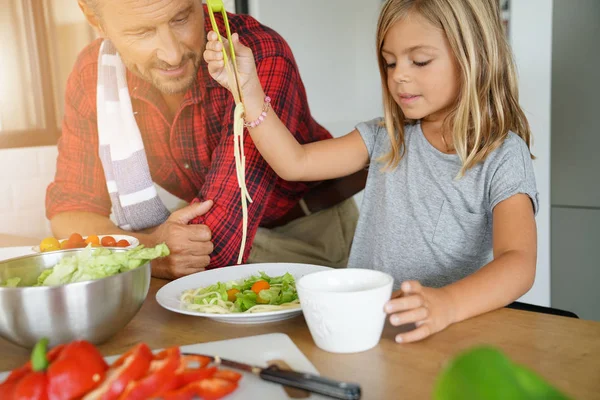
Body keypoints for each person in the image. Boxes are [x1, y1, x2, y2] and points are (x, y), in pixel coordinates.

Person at [203, 0, 538, 343]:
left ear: (475, 57)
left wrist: (446, 305)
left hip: (452, 334)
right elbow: (295, 163)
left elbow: (518, 263)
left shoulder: (502, 155)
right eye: (390, 63)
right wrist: (248, 88)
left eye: (419, 61)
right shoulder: (384, 138)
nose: (399, 76)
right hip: (371, 329)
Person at [45, 0, 364, 279]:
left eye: (181, 17)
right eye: (142, 32)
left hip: (306, 233)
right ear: (93, 19)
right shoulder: (93, 75)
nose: (172, 54)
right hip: (200, 237)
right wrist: (150, 249)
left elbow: (218, 243)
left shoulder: (254, 54)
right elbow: (70, 212)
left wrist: (149, 251)